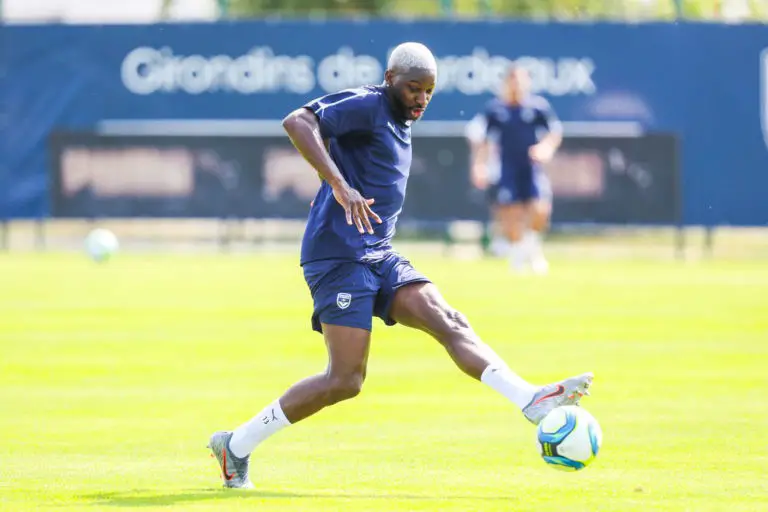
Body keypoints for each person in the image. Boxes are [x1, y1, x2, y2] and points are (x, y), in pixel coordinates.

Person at [207, 43, 592, 489]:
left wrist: (336, 176)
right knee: (345, 380)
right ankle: (236, 445)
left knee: (449, 320)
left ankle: (530, 399)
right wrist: (339, 185)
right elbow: (298, 121)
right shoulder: (368, 104)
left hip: (379, 252)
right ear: (390, 78)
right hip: (338, 257)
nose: (421, 98)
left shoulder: (398, 119)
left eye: (429, 90)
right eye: (413, 88)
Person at [471, 65, 563, 274]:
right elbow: (483, 140)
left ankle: (531, 249)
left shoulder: (538, 107)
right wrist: (479, 165)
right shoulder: (495, 110)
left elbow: (554, 133)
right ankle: (519, 255)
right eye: (512, 81)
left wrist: (545, 148)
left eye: (520, 81)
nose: (516, 86)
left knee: (540, 210)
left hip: (531, 167)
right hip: (507, 168)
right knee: (510, 214)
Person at [464, 111, 508, 257]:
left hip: (510, 171)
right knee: (497, 208)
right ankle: (498, 242)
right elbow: (478, 143)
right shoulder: (484, 120)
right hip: (493, 172)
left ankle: (510, 241)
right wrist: (478, 166)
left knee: (511, 208)